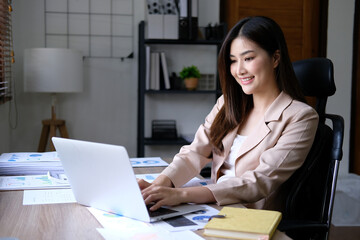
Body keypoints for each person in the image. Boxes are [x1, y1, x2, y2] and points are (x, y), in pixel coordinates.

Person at [138, 16, 319, 212]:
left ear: (275, 58)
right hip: (213, 206)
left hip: (251, 215)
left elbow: (259, 182)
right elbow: (195, 152)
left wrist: (181, 195)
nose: (239, 70)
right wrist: (159, 185)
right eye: (233, 61)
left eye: (248, 58)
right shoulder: (228, 102)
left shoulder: (300, 117)